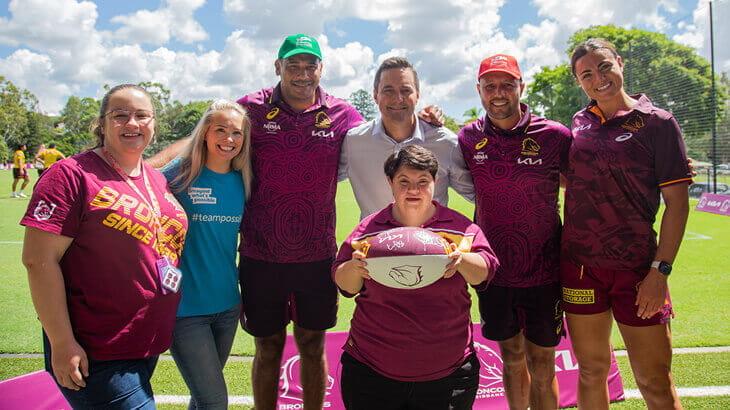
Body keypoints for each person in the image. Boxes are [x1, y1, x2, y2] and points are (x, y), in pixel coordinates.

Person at [146, 34, 442, 409]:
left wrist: (427, 118)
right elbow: (199, 140)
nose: (303, 73)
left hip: (316, 256)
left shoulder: (341, 114)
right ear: (278, 68)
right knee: (267, 348)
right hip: (260, 254)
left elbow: (382, 131)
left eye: (310, 65)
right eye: (293, 65)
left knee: (312, 345)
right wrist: (136, 172)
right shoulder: (250, 108)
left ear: (321, 69)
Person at [20, 84, 188, 409]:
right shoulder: (71, 175)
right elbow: (38, 261)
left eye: (142, 115)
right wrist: (62, 342)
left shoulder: (154, 179)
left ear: (154, 123)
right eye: (120, 115)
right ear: (101, 123)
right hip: (96, 348)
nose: (132, 123)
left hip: (144, 340)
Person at [561, 38, 691, 409]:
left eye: (604, 66)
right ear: (579, 82)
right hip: (580, 268)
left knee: (653, 381)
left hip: (637, 271)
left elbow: (677, 207)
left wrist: (659, 272)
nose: (598, 78)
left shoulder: (658, 122)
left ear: (619, 62)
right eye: (586, 74)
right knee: (591, 371)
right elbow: (576, 176)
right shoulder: (579, 122)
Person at [333, 145, 499, 409]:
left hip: (448, 370)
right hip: (371, 368)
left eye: (423, 182)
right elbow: (345, 286)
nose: (413, 190)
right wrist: (355, 267)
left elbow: (484, 274)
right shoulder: (369, 230)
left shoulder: (461, 228)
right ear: (389, 182)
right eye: (404, 182)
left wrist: (461, 258)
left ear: (435, 181)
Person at [458, 54, 572, 409]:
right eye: (490, 85)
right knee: (510, 356)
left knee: (542, 364)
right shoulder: (468, 138)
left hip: (544, 270)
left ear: (521, 87)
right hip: (495, 270)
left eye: (507, 84)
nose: (499, 92)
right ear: (479, 90)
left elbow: (589, 179)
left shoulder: (555, 135)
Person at [161, 99, 252, 409]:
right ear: (204, 133)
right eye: (220, 130)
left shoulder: (245, 181)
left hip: (227, 306)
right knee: (214, 402)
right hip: (186, 310)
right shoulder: (179, 176)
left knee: (201, 400)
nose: (229, 139)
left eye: (237, 133)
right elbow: (136, 185)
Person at [339, 56, 474, 220]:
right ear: (375, 96)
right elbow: (322, 183)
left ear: (417, 95)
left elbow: (478, 196)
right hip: (373, 244)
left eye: (406, 90)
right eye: (388, 90)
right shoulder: (354, 142)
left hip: (431, 244)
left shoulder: (446, 143)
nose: (398, 98)